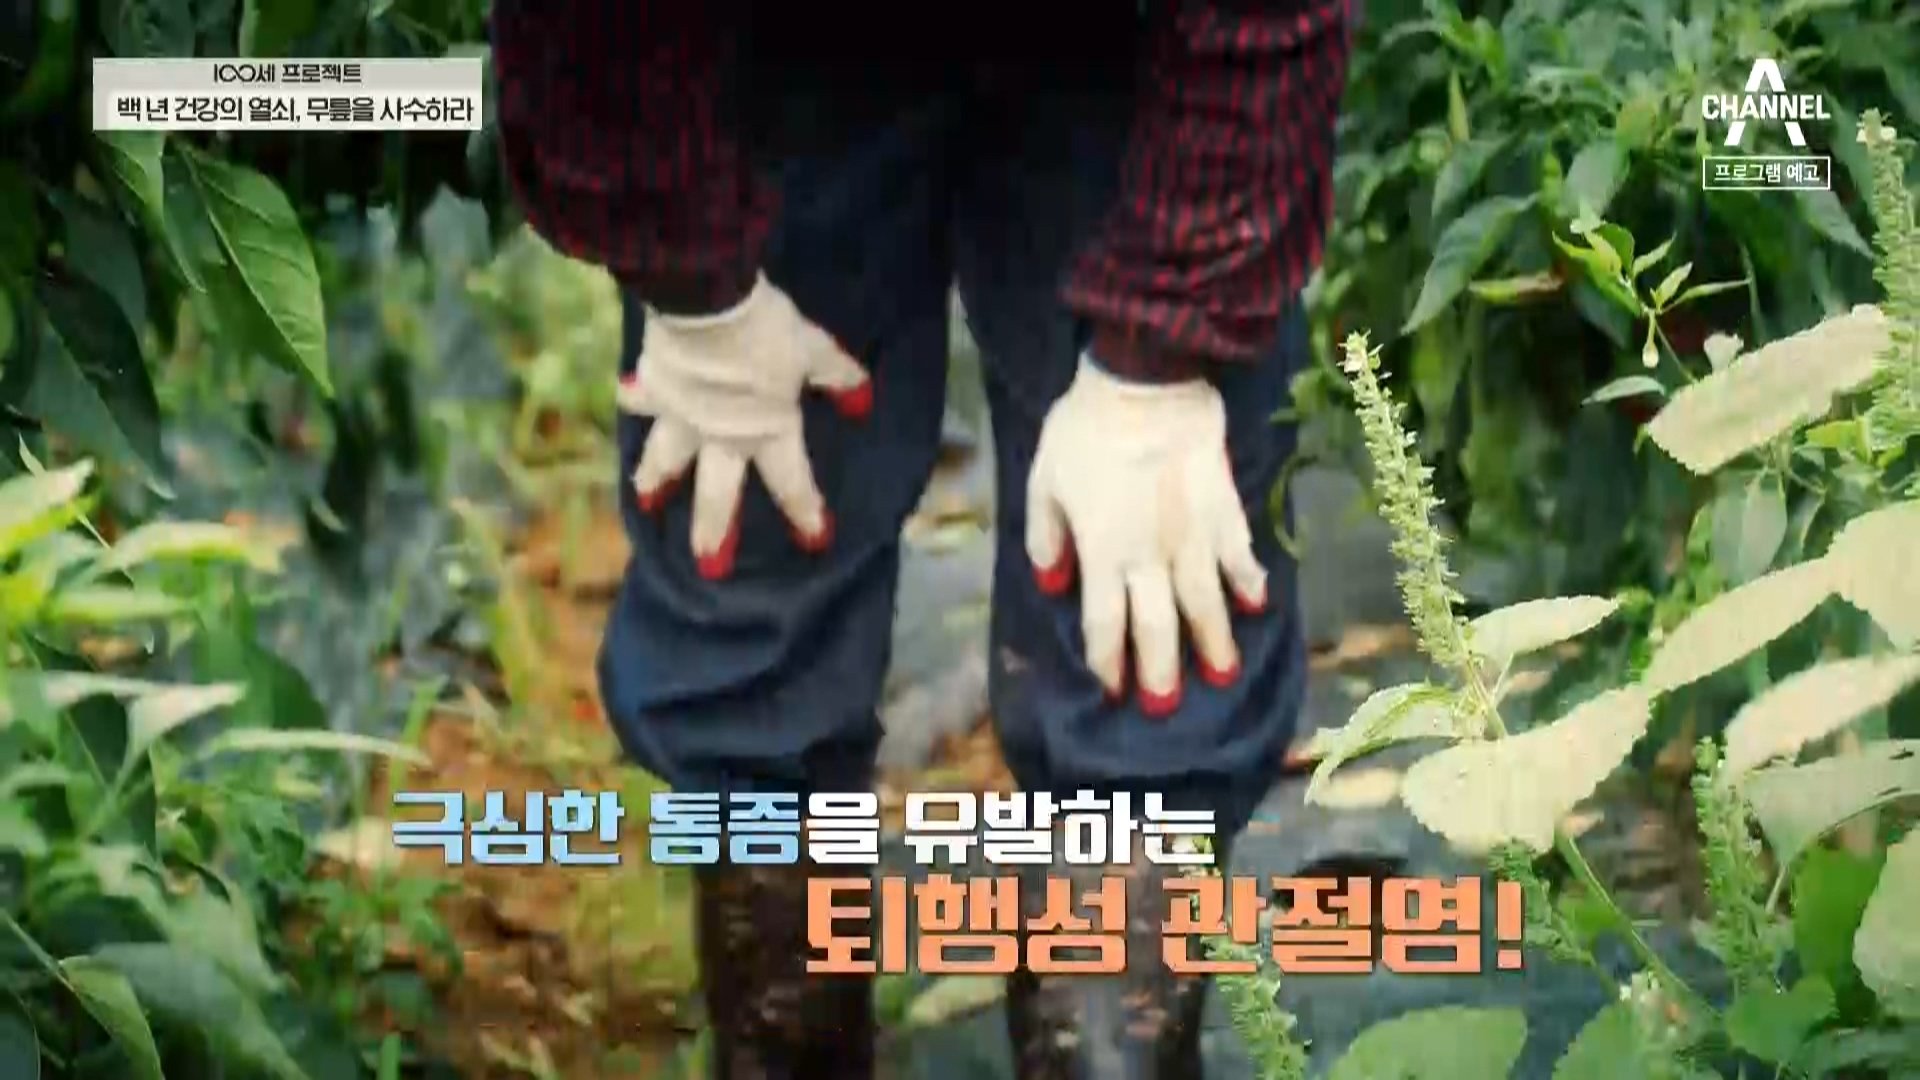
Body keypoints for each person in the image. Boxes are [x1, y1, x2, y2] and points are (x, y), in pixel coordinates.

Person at [492, 2, 1352, 1075]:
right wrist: (693, 286)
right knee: (754, 569)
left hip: (1131, 47)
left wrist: (1164, 351)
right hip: (771, 45)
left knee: (1154, 608)